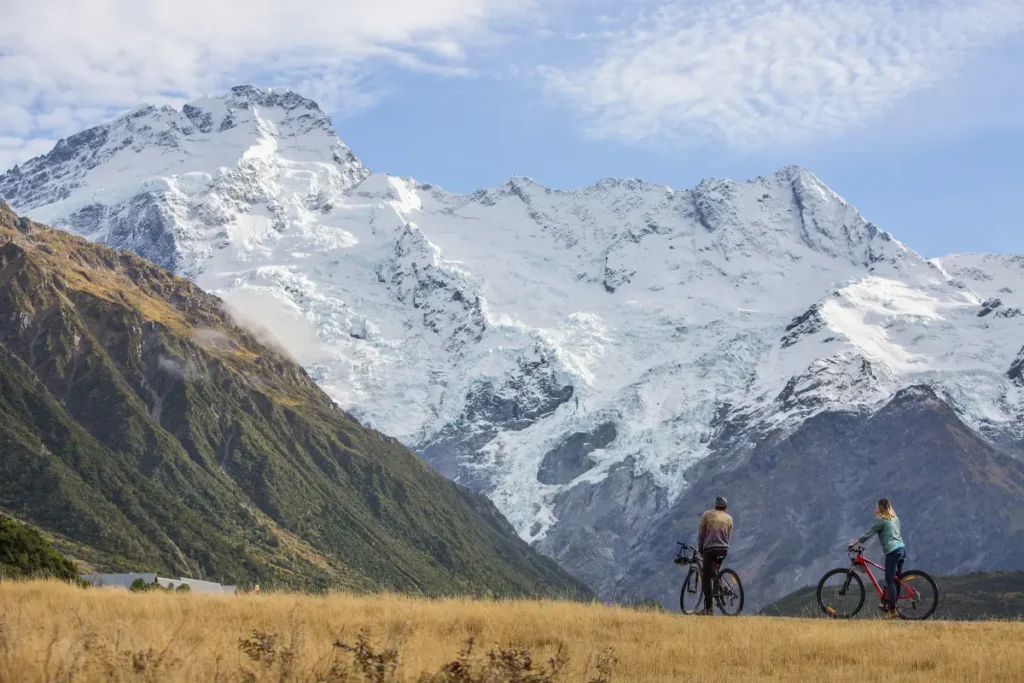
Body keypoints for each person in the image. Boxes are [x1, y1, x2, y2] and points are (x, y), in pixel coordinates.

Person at [849, 497, 905, 616]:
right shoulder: (895, 518)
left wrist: (853, 544)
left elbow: (869, 533)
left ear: (879, 508)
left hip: (892, 552)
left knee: (890, 581)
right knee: (896, 580)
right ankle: (890, 604)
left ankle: (892, 611)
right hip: (902, 550)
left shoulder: (881, 521)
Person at [697, 495, 733, 615]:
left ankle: (708, 609)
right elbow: (728, 535)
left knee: (706, 577)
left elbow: (701, 533)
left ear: (715, 505)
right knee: (714, 571)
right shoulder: (729, 518)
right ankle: (720, 591)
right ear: (725, 507)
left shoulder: (707, 515)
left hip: (710, 549)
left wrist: (700, 548)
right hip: (723, 550)